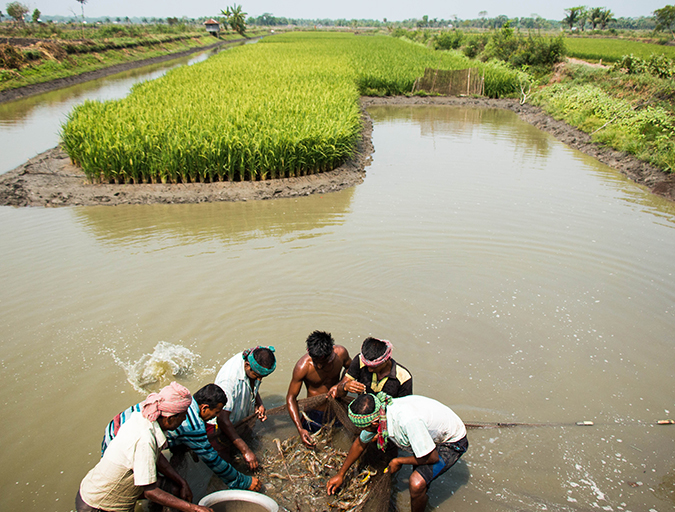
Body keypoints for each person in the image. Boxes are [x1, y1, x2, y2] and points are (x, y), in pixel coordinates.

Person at [76, 382, 213, 512]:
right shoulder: (144, 439)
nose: (184, 419)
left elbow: (157, 458)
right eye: (183, 416)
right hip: (97, 505)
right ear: (170, 418)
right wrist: (193, 508)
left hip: (95, 491)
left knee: (173, 487)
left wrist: (181, 481)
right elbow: (150, 492)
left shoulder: (143, 418)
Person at [101, 383, 260, 492]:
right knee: (145, 487)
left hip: (113, 429)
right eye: (216, 412)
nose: (215, 417)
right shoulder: (193, 425)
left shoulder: (179, 400)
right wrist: (243, 481)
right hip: (122, 448)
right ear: (204, 408)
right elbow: (213, 460)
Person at [326, 392, 468, 512]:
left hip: (451, 441)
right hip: (429, 430)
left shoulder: (407, 422)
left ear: (375, 423)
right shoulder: (380, 411)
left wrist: (399, 461)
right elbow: (360, 443)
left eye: (367, 428)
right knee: (420, 473)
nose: (366, 431)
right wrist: (341, 474)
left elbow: (432, 457)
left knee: (416, 483)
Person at [213, 345, 276, 470]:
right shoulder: (229, 381)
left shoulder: (255, 360)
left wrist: (259, 403)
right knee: (225, 460)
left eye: (262, 377)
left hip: (240, 417)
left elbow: (254, 383)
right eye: (257, 375)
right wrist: (246, 451)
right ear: (247, 365)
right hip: (223, 424)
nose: (259, 379)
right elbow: (222, 419)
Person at [286, 330, 352, 447]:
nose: (320, 366)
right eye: (316, 362)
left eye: (324, 362)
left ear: (331, 353)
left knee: (336, 439)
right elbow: (291, 398)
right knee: (312, 444)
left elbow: (351, 369)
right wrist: (300, 429)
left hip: (337, 407)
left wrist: (341, 384)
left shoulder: (341, 354)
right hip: (314, 413)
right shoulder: (303, 367)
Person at [333, 337, 412, 398]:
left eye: (374, 367)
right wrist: (345, 387)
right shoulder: (359, 360)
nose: (369, 370)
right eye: (367, 366)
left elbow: (403, 407)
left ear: (386, 360)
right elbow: (339, 392)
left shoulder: (404, 377)